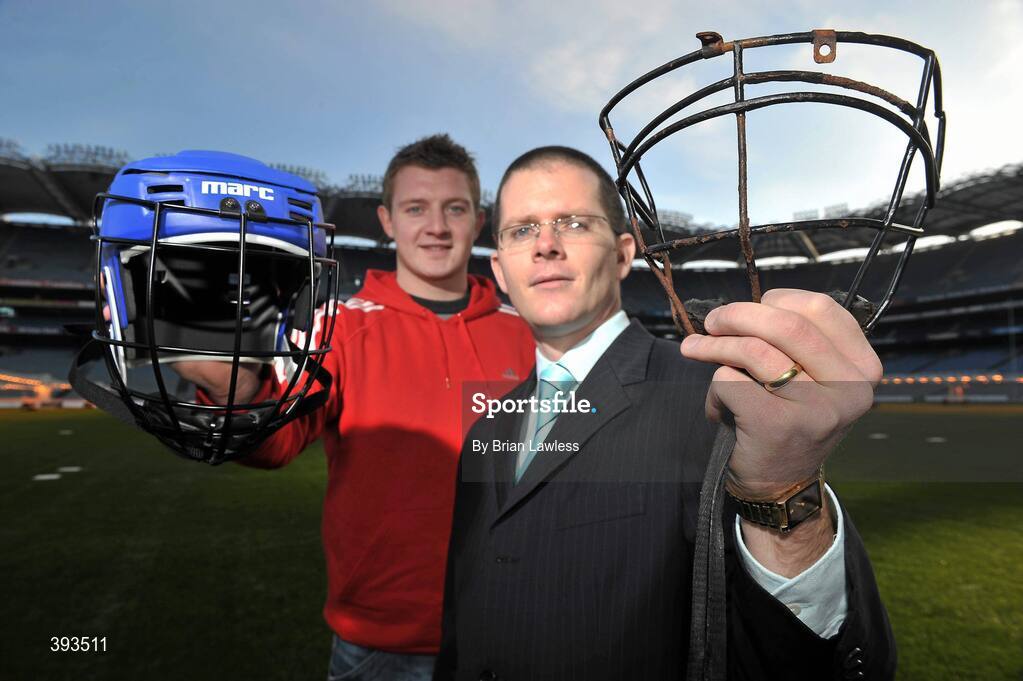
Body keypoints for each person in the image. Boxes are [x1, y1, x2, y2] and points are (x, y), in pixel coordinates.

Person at [435, 146, 895, 680]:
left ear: (623, 253)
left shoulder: (719, 397)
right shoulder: (488, 425)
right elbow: (465, 608)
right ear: (499, 271)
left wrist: (783, 497)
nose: (545, 246)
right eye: (520, 231)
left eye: (574, 223)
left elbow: (812, 663)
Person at [181, 135, 535, 680]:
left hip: (515, 627)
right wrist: (235, 393)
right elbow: (276, 444)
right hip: (381, 641)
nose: (435, 226)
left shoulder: (529, 333)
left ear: (478, 220)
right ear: (387, 220)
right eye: (415, 208)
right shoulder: (337, 327)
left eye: (454, 208)